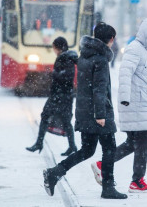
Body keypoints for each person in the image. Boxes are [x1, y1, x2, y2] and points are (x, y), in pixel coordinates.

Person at [43, 23, 127, 200]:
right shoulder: (101, 59)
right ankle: (108, 188)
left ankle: (55, 172)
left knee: (87, 150)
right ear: (110, 40)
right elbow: (99, 89)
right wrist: (101, 114)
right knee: (110, 148)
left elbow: (85, 87)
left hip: (84, 110)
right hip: (98, 111)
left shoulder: (85, 55)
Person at [91, 18, 147, 193]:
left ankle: (103, 164)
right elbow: (125, 73)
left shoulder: (143, 50)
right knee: (145, 143)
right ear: (146, 33)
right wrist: (125, 99)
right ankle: (137, 181)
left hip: (139, 104)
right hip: (134, 105)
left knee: (133, 143)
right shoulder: (135, 49)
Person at [26, 37, 78, 156]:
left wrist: (53, 74)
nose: (53, 50)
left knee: (54, 118)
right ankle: (69, 146)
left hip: (61, 95)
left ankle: (41, 143)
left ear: (58, 47)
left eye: (54, 47)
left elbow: (67, 76)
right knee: (56, 118)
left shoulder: (66, 58)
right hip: (61, 94)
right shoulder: (65, 57)